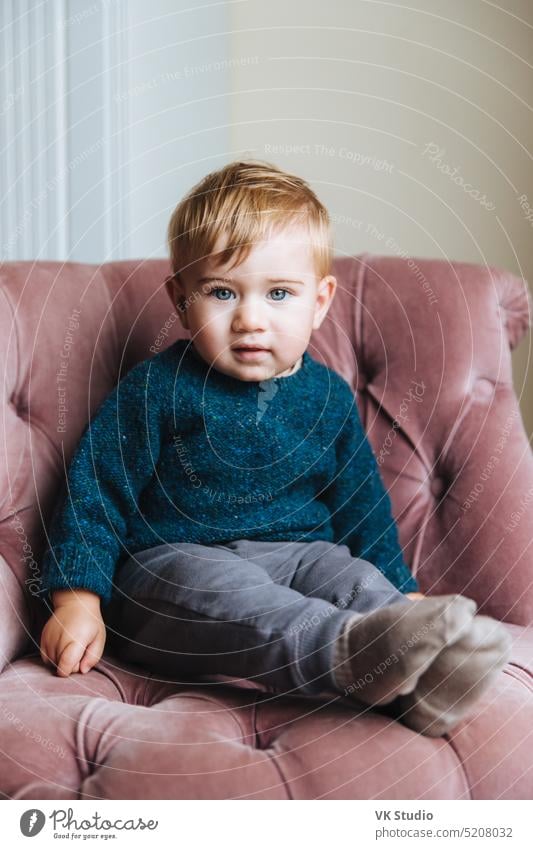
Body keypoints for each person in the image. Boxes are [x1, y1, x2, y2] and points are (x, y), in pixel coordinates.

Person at [38, 160, 511, 737]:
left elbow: (361, 509)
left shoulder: (327, 398)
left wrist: (402, 593)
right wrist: (78, 598)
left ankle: (422, 681)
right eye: (221, 292)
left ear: (320, 301)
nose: (250, 320)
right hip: (171, 567)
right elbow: (96, 491)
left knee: (349, 577)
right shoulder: (156, 389)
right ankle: (349, 653)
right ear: (181, 299)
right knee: (233, 595)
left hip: (299, 555)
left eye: (280, 293)